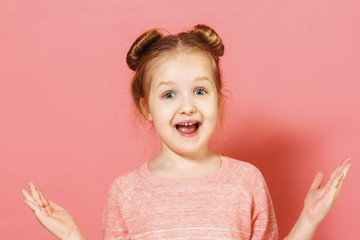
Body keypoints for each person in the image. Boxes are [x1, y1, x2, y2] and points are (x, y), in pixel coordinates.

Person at [21, 24, 352, 240]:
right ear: (146, 107)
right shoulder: (126, 191)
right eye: (168, 94)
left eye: (200, 91)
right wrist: (73, 237)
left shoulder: (246, 180)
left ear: (218, 98)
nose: (187, 106)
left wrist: (308, 220)